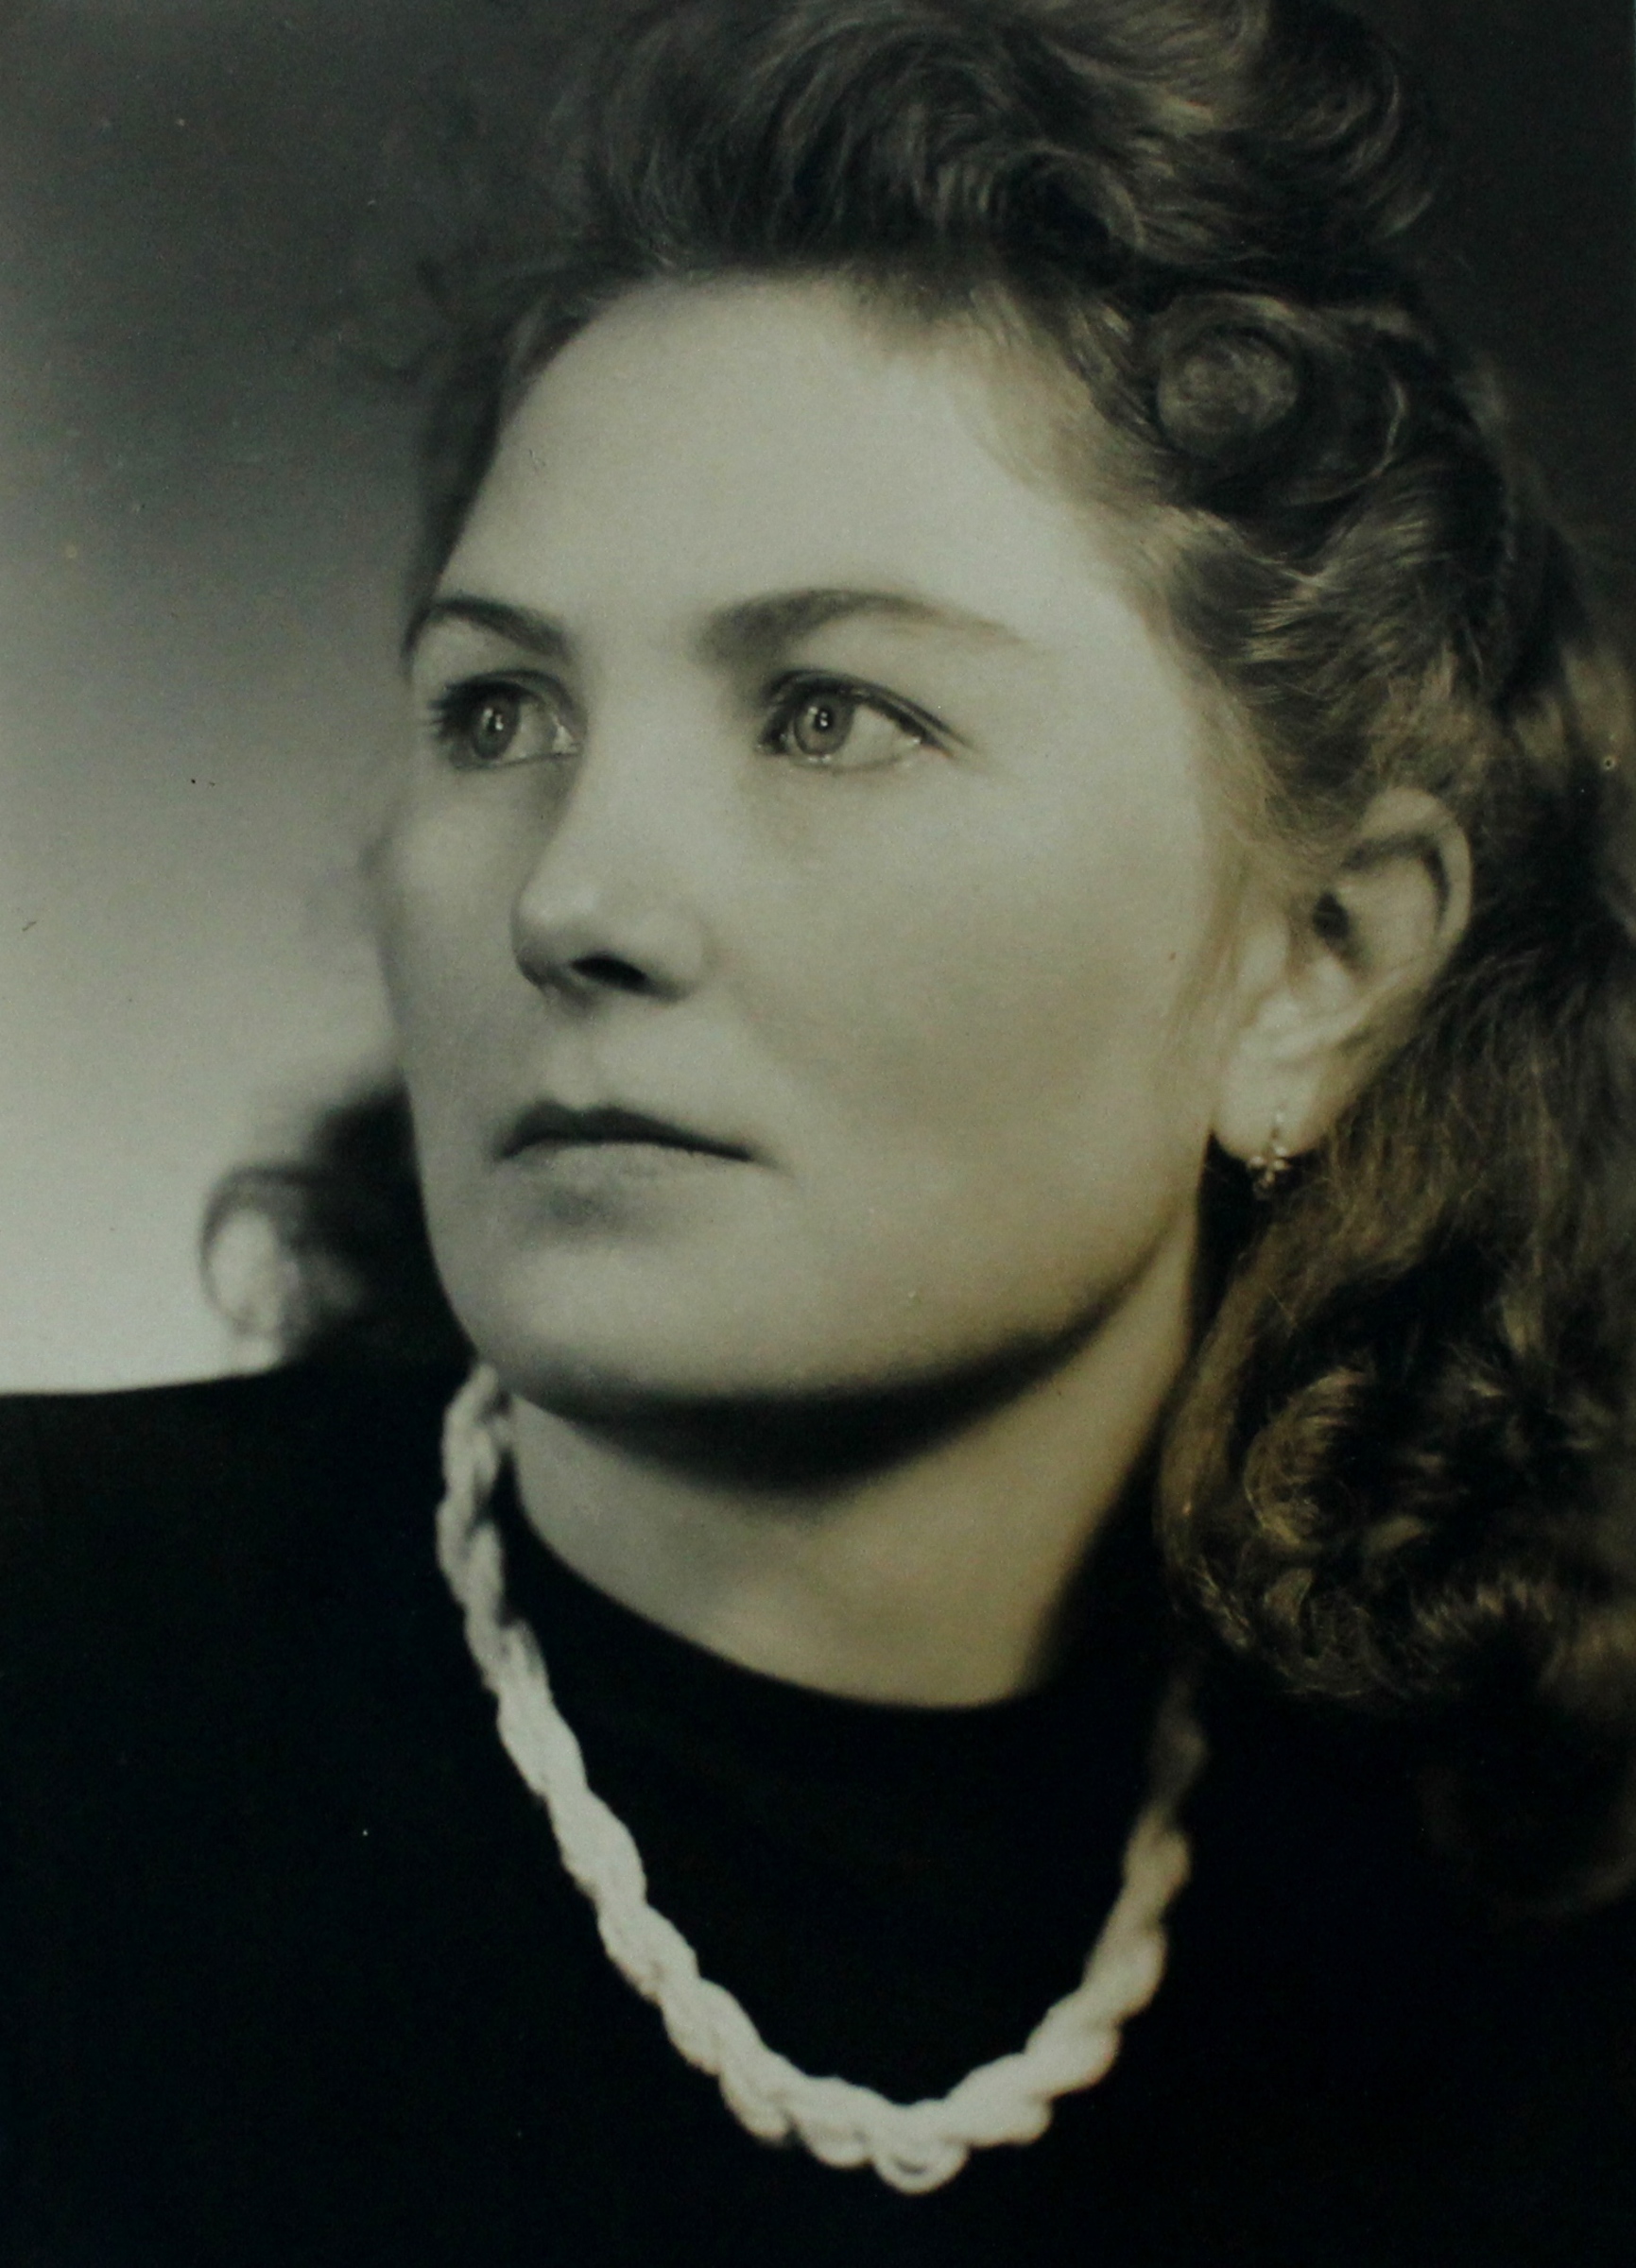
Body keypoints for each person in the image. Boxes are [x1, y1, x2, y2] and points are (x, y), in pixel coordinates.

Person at [4, 0, 1636, 2259]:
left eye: (829, 714)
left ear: (1317, 965)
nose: (574, 900)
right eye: (499, 711)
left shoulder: (1529, 1956)